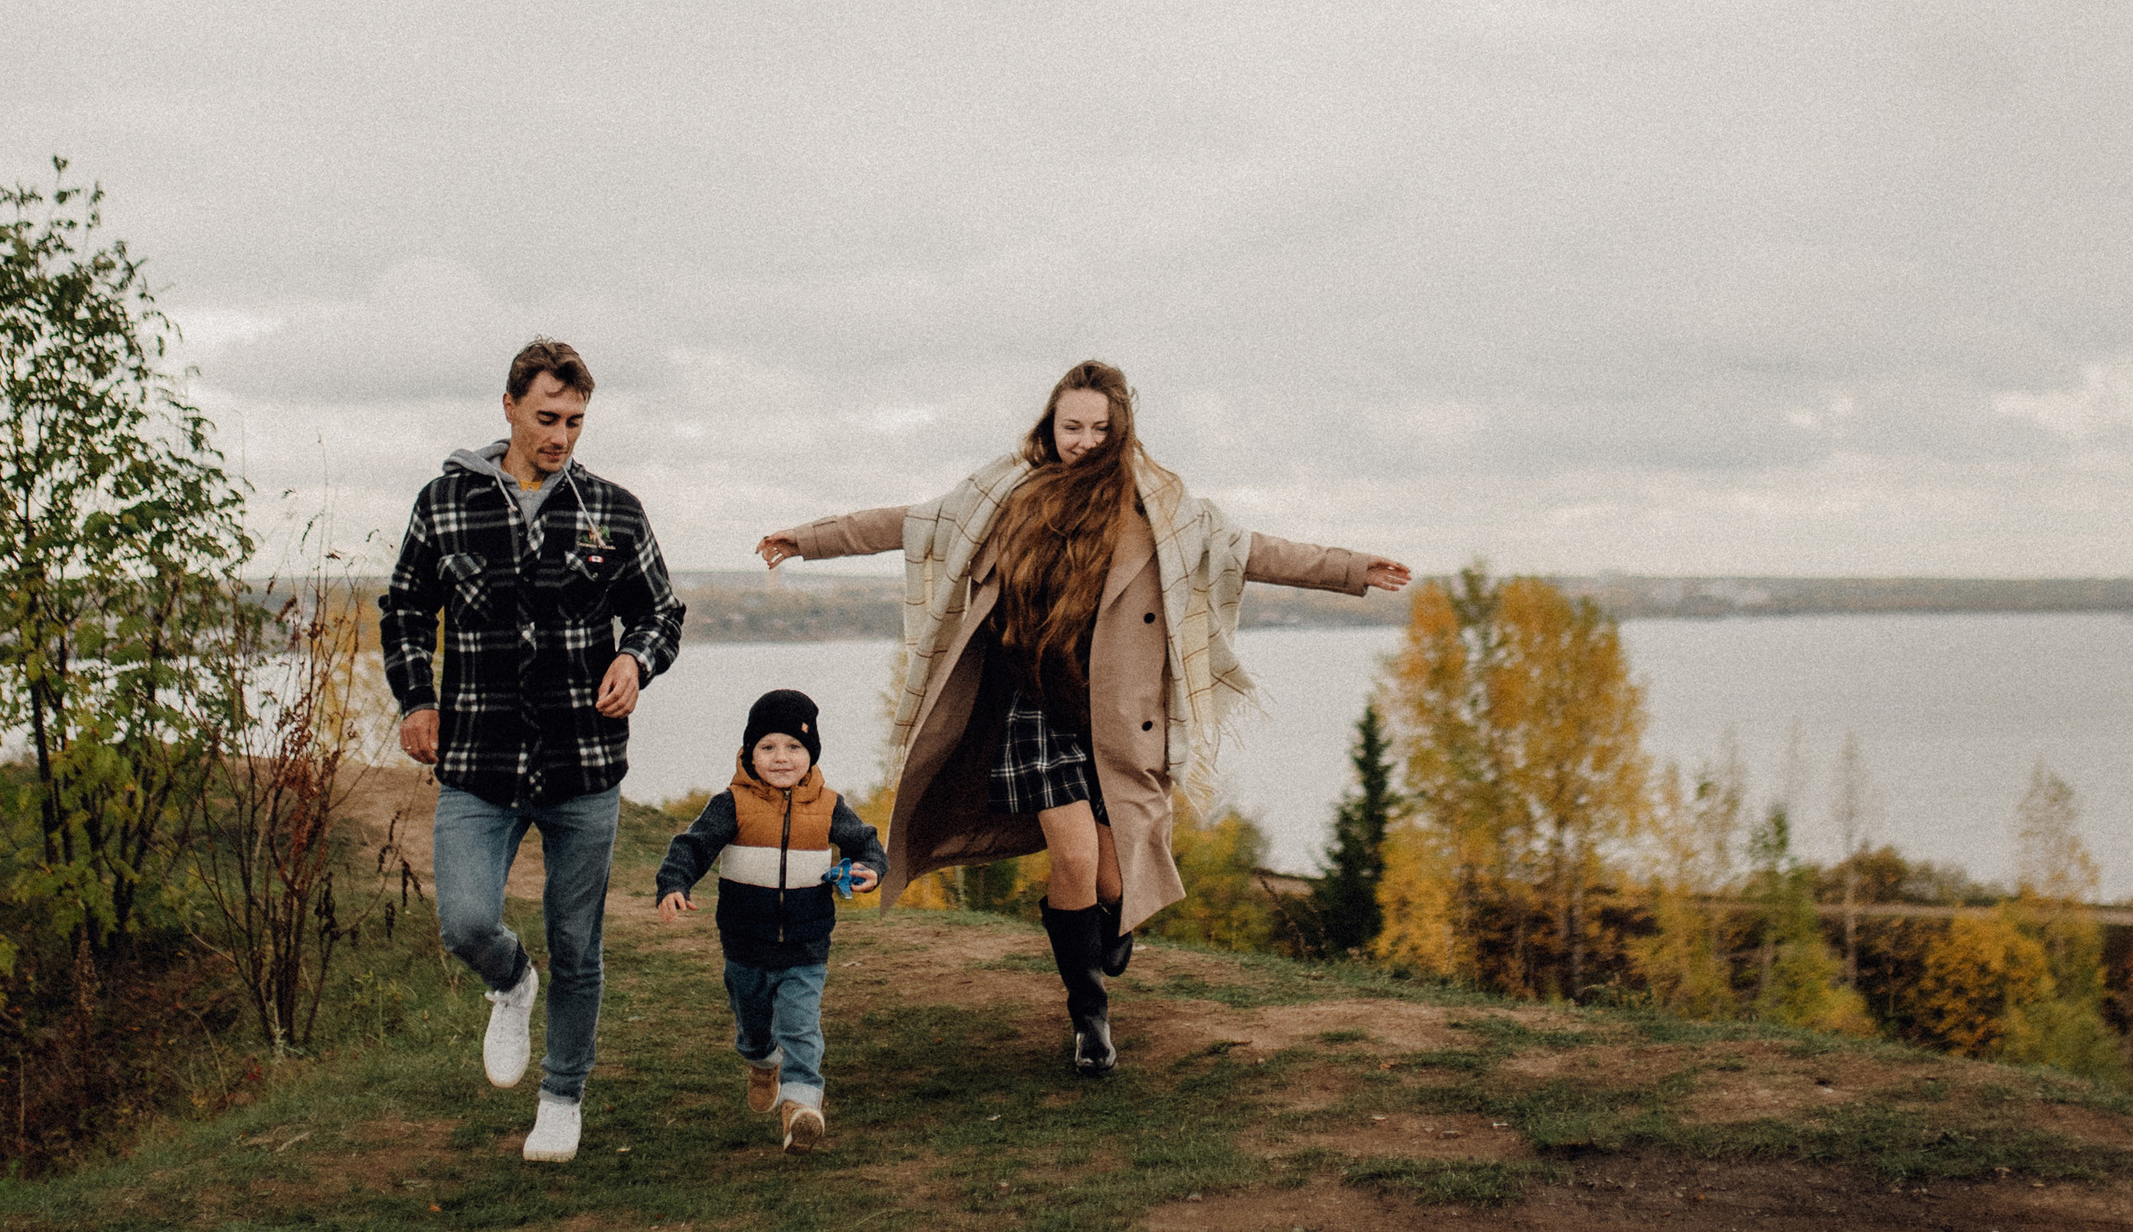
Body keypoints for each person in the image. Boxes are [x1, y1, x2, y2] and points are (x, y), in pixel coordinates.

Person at [757, 361, 1409, 1077]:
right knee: (1071, 856)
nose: (1085, 441)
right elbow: (910, 522)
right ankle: (1090, 1018)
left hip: (1116, 717)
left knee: (1110, 878)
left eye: (1101, 429)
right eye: (1072, 426)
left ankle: (1109, 927)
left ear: (1120, 430)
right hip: (1029, 705)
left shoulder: (1159, 507)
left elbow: (1248, 550)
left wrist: (1351, 569)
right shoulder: (1008, 494)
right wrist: (806, 539)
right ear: (1051, 424)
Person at [380, 338, 681, 1164]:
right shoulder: (443, 502)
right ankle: (510, 982)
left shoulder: (612, 511)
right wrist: (416, 699)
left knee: (579, 944)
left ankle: (561, 1098)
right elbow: (404, 609)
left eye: (576, 421)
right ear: (508, 407)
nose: (561, 435)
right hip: (478, 761)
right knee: (468, 919)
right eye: (547, 417)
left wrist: (635, 658)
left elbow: (661, 612)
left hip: (584, 766)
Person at [652, 685, 887, 1152]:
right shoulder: (731, 804)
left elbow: (866, 846)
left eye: (794, 747)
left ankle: (801, 1106)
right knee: (754, 1024)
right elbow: (692, 846)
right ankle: (761, 1062)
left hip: (806, 944)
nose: (782, 758)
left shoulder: (828, 805)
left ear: (811, 753)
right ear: (749, 754)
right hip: (745, 943)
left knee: (801, 1026)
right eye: (768, 747)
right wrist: (674, 884)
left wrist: (869, 872)